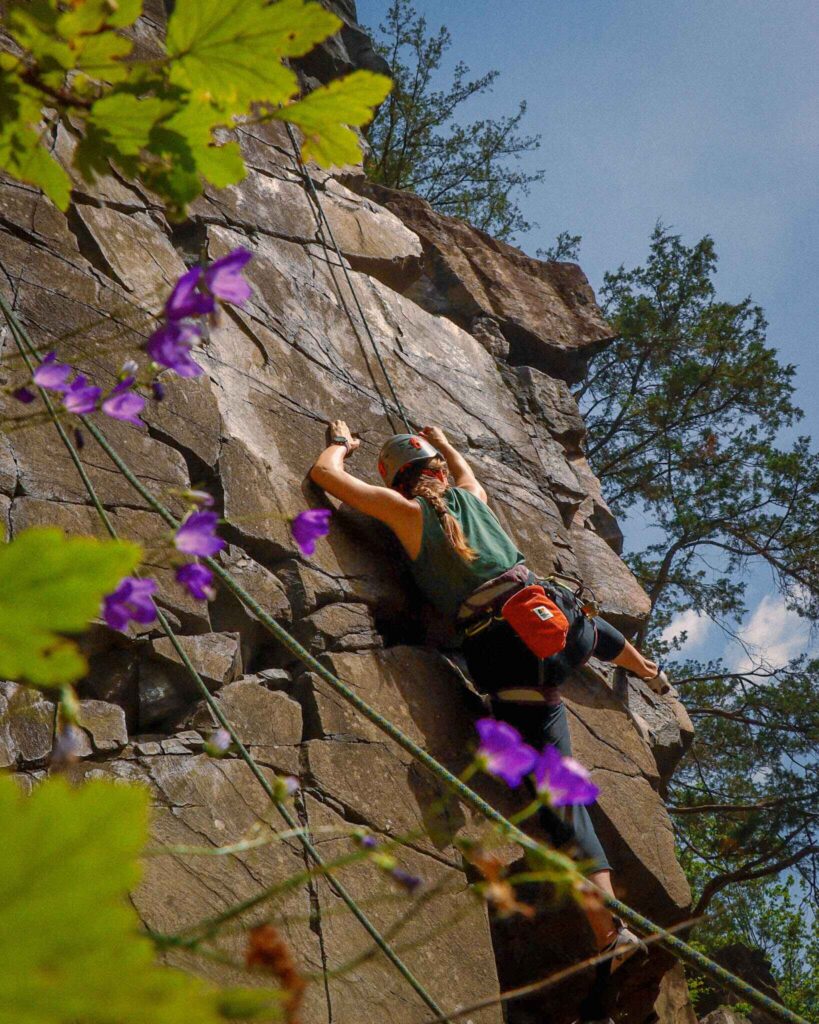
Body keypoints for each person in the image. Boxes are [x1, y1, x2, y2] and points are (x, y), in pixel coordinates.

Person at [309, 421, 668, 974]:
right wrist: (447, 440)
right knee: (593, 633)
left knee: (557, 800)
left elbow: (324, 477)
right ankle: (647, 671)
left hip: (514, 661)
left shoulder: (406, 513)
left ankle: (608, 930)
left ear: (400, 481)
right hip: (559, 625)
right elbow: (468, 474)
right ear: (437, 469)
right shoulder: (472, 498)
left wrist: (343, 443)